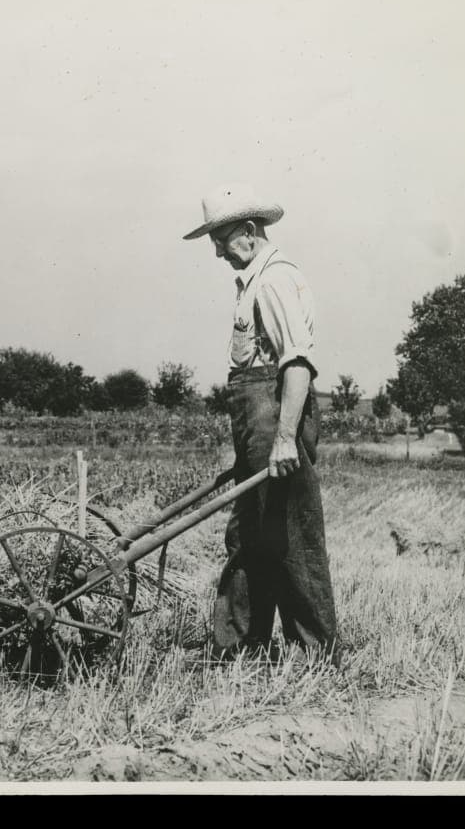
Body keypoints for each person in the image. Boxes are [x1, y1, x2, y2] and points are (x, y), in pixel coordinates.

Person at [183, 183, 340, 667]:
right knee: (249, 533)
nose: (216, 252)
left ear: (248, 233)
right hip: (260, 421)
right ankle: (238, 647)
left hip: (275, 419)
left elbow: (295, 365)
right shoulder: (255, 279)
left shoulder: (273, 281)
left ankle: (316, 656)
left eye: (220, 239)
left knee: (290, 532)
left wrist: (285, 439)